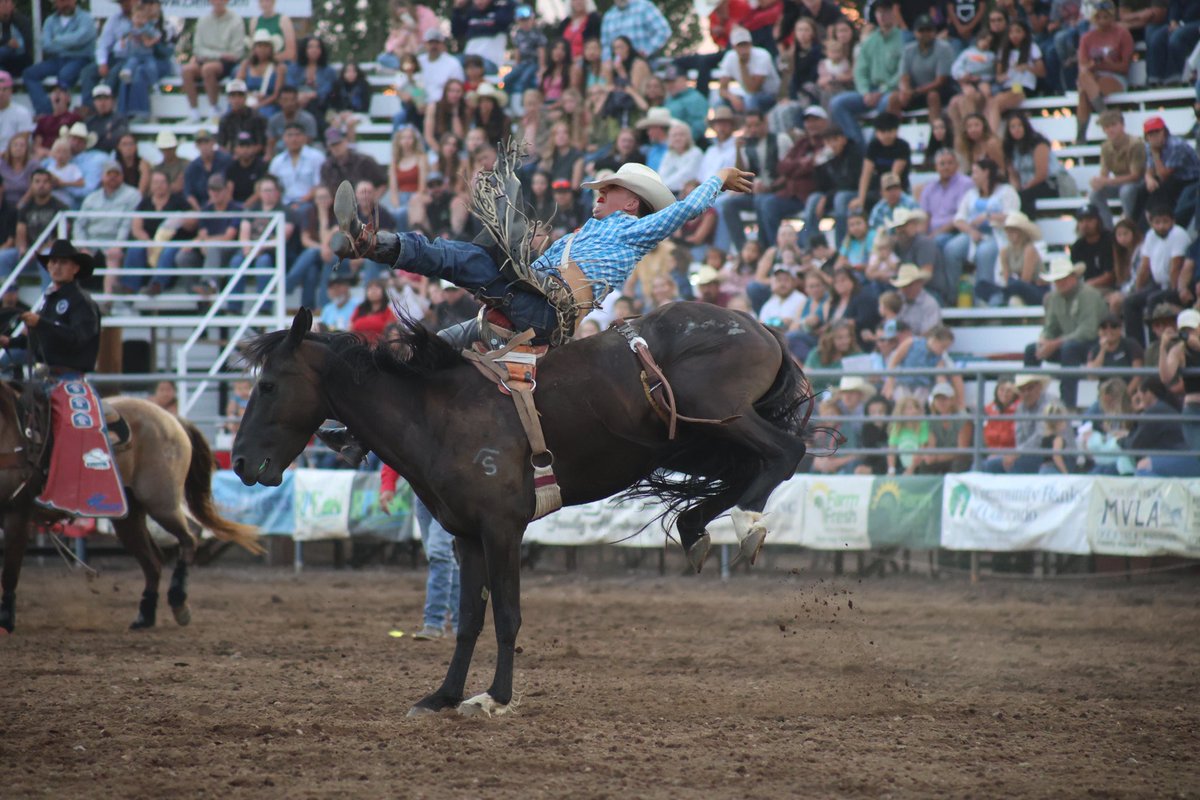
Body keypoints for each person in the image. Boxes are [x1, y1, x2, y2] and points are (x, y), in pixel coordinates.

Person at [0, 240, 129, 445]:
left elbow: (78, 337)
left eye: (63, 262)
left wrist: (41, 323)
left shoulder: (81, 302)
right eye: (53, 262)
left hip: (70, 379)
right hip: (46, 375)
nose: (56, 267)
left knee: (68, 429)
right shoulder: (49, 300)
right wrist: (11, 342)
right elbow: (39, 340)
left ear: (75, 268)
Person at [1025, 258, 1108, 409]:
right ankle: (1029, 400)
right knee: (1032, 350)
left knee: (1070, 349)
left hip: (1092, 345)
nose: (1060, 283)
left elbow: (1088, 331)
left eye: (1063, 278)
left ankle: (1067, 405)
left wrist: (1054, 343)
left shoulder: (1089, 295)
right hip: (1068, 344)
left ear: (1073, 277)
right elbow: (1051, 327)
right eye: (1057, 280)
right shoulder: (1054, 298)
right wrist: (1044, 340)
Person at [945, 158, 1021, 305]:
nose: (972, 176)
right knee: (951, 248)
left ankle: (983, 300)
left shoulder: (1006, 191)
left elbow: (1013, 216)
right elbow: (959, 219)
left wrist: (988, 216)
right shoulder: (971, 194)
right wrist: (971, 231)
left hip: (998, 235)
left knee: (984, 252)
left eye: (975, 172)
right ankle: (953, 297)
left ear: (986, 173)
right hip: (973, 235)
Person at [828, 4, 904, 147]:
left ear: (893, 13)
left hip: (891, 90)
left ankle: (876, 146)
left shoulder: (902, 39)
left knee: (886, 103)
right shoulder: (870, 41)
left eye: (886, 11)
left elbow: (903, 72)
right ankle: (859, 146)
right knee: (837, 104)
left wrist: (882, 92)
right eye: (879, 12)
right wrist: (865, 92)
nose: (882, 16)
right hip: (869, 91)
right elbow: (860, 71)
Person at [1124, 203, 1191, 344]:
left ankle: (1156, 344)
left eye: (1165, 222)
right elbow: (1144, 267)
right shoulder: (1150, 236)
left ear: (1173, 221)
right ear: (1151, 223)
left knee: (1153, 300)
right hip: (1157, 284)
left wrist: (1172, 293)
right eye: (1157, 222)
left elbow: (1176, 266)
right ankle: (1135, 345)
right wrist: (1137, 290)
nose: (1161, 226)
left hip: (1176, 286)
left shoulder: (1178, 234)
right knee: (1130, 302)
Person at [76, 161, 142, 294]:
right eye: (109, 174)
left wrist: (118, 246)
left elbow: (126, 225)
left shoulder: (132, 195)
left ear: (122, 176)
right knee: (69, 258)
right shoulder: (91, 198)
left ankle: (108, 301)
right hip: (91, 243)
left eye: (116, 174)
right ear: (102, 177)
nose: (112, 177)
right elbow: (79, 225)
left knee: (114, 257)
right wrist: (82, 247)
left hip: (115, 242)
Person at [21, 0, 96, 117]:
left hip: (80, 58)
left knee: (65, 75)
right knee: (29, 73)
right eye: (60, 1)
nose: (64, 3)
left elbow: (82, 37)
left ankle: (62, 113)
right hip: (57, 59)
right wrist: (71, 43)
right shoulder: (50, 20)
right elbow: (45, 44)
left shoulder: (85, 18)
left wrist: (57, 40)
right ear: (55, 3)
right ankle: (45, 112)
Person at [1074, 2, 1133, 145]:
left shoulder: (1122, 34)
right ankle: (1105, 119)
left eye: (1106, 17)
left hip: (1115, 76)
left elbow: (1125, 67)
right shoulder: (1087, 38)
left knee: (1084, 93)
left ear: (1112, 17)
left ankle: (1086, 132)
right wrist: (1093, 65)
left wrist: (1107, 64)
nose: (1102, 21)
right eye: (1099, 17)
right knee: (1084, 83)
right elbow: (1083, 67)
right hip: (1093, 76)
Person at [180, 0, 247, 122]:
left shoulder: (236, 20)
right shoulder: (203, 20)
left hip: (227, 64)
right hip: (207, 58)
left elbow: (236, 53)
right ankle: (193, 111)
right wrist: (219, 54)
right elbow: (197, 48)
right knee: (186, 70)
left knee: (208, 69)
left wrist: (214, 55)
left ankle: (213, 108)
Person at [982, 373, 1059, 474]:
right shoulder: (1021, 407)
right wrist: (1015, 453)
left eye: (1030, 388)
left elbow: (1041, 435)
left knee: (1015, 464)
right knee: (986, 466)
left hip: (1051, 456)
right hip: (1027, 453)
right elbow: (1019, 436)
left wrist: (1016, 453)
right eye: (1022, 390)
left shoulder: (1049, 404)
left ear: (1039, 387)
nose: (1026, 393)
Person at [1123, 377, 1200, 477]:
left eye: (1139, 393)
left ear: (1149, 393)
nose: (1138, 397)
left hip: (1189, 457)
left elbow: (1134, 445)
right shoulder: (1165, 408)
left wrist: (1120, 440)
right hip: (1185, 455)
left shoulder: (1156, 412)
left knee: (1142, 467)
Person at [805, 124, 862, 249]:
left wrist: (827, 198)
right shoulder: (828, 157)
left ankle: (841, 247)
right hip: (833, 194)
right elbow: (822, 187)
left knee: (840, 199)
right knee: (813, 199)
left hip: (855, 193)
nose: (831, 145)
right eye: (827, 141)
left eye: (834, 140)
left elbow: (851, 182)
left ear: (843, 139)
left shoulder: (854, 153)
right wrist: (818, 167)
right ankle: (811, 248)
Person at [888, 15, 955, 120]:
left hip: (940, 91)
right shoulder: (908, 50)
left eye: (928, 30)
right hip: (915, 92)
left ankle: (936, 130)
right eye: (921, 30)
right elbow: (904, 76)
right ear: (915, 33)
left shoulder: (943, 48)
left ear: (934, 32)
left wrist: (916, 91)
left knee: (932, 96)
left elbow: (941, 80)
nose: (925, 34)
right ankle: (891, 130)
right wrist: (905, 90)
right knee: (894, 98)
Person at [1139, 116, 1200, 229]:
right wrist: (1149, 179)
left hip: (1191, 179)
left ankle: (1173, 226)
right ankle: (1139, 228)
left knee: (1180, 204)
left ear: (1164, 131)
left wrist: (1156, 154)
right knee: (1142, 190)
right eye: (1150, 133)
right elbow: (1149, 169)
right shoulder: (1149, 145)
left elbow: (1163, 174)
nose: (1154, 136)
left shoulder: (1176, 145)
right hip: (1173, 179)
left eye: (1157, 131)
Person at [1088, 109, 1144, 231]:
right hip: (1119, 183)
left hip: (1139, 183)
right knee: (1094, 194)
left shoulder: (1135, 144)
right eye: (1106, 127)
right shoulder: (1105, 147)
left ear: (1122, 125)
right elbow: (1104, 173)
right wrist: (1098, 182)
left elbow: (1136, 175)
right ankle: (1107, 229)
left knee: (1126, 191)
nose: (1110, 130)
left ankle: (1130, 226)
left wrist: (1107, 181)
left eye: (1113, 125)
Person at [1159, 308, 1200, 452]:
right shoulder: (1179, 350)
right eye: (1185, 330)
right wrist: (1163, 347)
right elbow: (1166, 377)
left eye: (1192, 329)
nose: (1189, 334)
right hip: (1194, 407)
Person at [716, 27, 780, 114]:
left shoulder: (762, 56)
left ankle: (751, 125)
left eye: (745, 45)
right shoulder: (729, 57)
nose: (743, 49)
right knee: (720, 103)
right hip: (747, 94)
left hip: (771, 95)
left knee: (750, 99)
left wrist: (743, 65)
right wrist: (733, 98)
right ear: (734, 47)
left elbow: (753, 89)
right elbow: (722, 89)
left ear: (751, 44)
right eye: (740, 45)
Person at [920, 149, 973, 248]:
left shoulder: (966, 184)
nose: (946, 167)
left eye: (950, 163)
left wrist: (934, 234)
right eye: (942, 164)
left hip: (955, 231)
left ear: (957, 165)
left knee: (935, 242)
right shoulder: (929, 187)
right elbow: (925, 216)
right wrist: (922, 236)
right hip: (932, 232)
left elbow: (960, 216)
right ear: (936, 167)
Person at [599, 0, 670, 62]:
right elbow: (605, 45)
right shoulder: (608, 17)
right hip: (619, 68)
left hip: (646, 63)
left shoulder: (644, 6)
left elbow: (663, 31)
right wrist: (608, 61)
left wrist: (646, 51)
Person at [1071, 203, 1116, 291]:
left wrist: (1085, 286)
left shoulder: (1109, 241)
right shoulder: (1077, 247)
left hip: (1109, 288)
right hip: (1085, 289)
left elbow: (1110, 276)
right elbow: (1075, 274)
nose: (1085, 225)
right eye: (1081, 221)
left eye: (1089, 220)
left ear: (1098, 221)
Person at [891, 262, 943, 336]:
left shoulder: (929, 304)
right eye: (902, 286)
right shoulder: (896, 299)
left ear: (919, 283)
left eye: (908, 285)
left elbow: (929, 333)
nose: (904, 289)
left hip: (920, 345)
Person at [0, 70, 32, 154]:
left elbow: (23, 142)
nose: (1, 93)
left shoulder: (22, 113)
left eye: (4, 89)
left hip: (12, 158)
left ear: (11, 91)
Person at [0, 0, 33, 77]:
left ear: (13, 5)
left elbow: (24, 44)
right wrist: (6, 41)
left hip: (19, 60)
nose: (4, 5)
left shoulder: (20, 21)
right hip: (3, 62)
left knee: (6, 50)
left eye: (6, 1)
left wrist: (10, 43)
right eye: (1, 2)